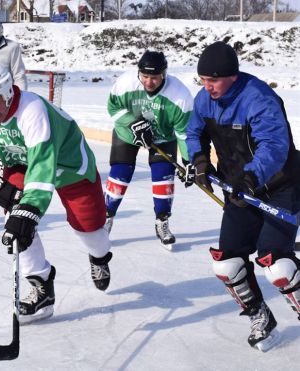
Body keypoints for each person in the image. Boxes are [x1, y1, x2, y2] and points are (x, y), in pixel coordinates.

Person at [0, 64, 112, 324]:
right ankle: (41, 287)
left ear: (8, 93)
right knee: (17, 224)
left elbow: (43, 166)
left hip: (70, 167)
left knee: (89, 228)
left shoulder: (32, 110)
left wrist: (29, 209)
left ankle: (99, 256)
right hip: (22, 164)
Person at [184, 41, 300, 351]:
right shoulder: (204, 100)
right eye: (203, 80)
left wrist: (250, 177)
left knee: (277, 265)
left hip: (278, 186)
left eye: (214, 80)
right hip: (239, 190)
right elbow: (194, 132)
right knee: (226, 264)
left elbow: (275, 146)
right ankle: (259, 315)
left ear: (232, 76)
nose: (208, 87)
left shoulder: (259, 99)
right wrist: (198, 161)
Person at [104, 50, 193, 250]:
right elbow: (113, 108)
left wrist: (188, 161)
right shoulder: (126, 84)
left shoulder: (180, 96)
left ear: (164, 74)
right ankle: (106, 218)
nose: (149, 82)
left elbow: (183, 133)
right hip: (127, 133)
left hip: (163, 138)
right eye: (145, 76)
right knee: (120, 174)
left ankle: (162, 221)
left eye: (154, 77)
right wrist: (134, 123)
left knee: (164, 178)